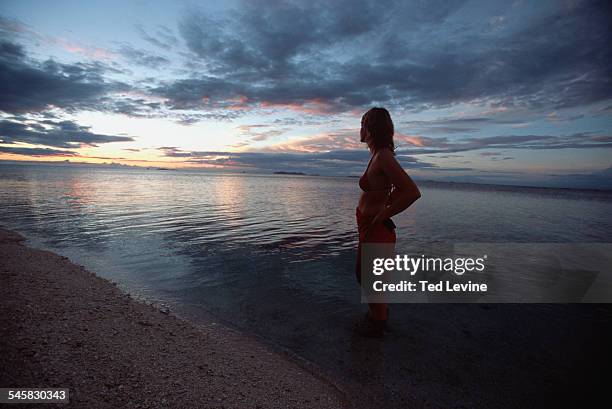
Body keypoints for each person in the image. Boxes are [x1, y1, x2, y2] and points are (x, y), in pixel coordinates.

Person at [355, 107, 421, 338]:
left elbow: (412, 192)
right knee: (363, 276)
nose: (360, 129)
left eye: (363, 124)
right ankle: (377, 317)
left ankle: (378, 329)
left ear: (372, 129)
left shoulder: (383, 156)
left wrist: (384, 214)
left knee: (372, 282)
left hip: (377, 229)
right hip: (367, 227)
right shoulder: (376, 155)